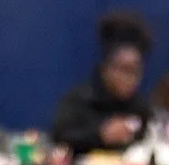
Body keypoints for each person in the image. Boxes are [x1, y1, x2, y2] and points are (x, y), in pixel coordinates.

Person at [51, 10, 153, 156]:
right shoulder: (78, 101)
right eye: (124, 70)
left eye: (136, 71)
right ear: (106, 68)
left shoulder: (141, 108)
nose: (130, 79)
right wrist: (100, 135)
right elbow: (59, 138)